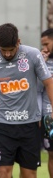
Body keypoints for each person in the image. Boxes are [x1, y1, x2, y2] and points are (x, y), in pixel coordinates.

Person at [0, 23, 53, 178]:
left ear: (18, 42)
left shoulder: (32, 55)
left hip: (30, 125)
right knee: (3, 173)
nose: (6, 54)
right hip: (3, 126)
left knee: (29, 174)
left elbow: (49, 83)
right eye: (3, 50)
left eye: (11, 50)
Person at [40, 28, 53, 178]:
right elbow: (36, 89)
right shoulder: (41, 61)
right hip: (48, 117)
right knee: (52, 155)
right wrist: (41, 65)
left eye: (47, 43)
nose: (44, 47)